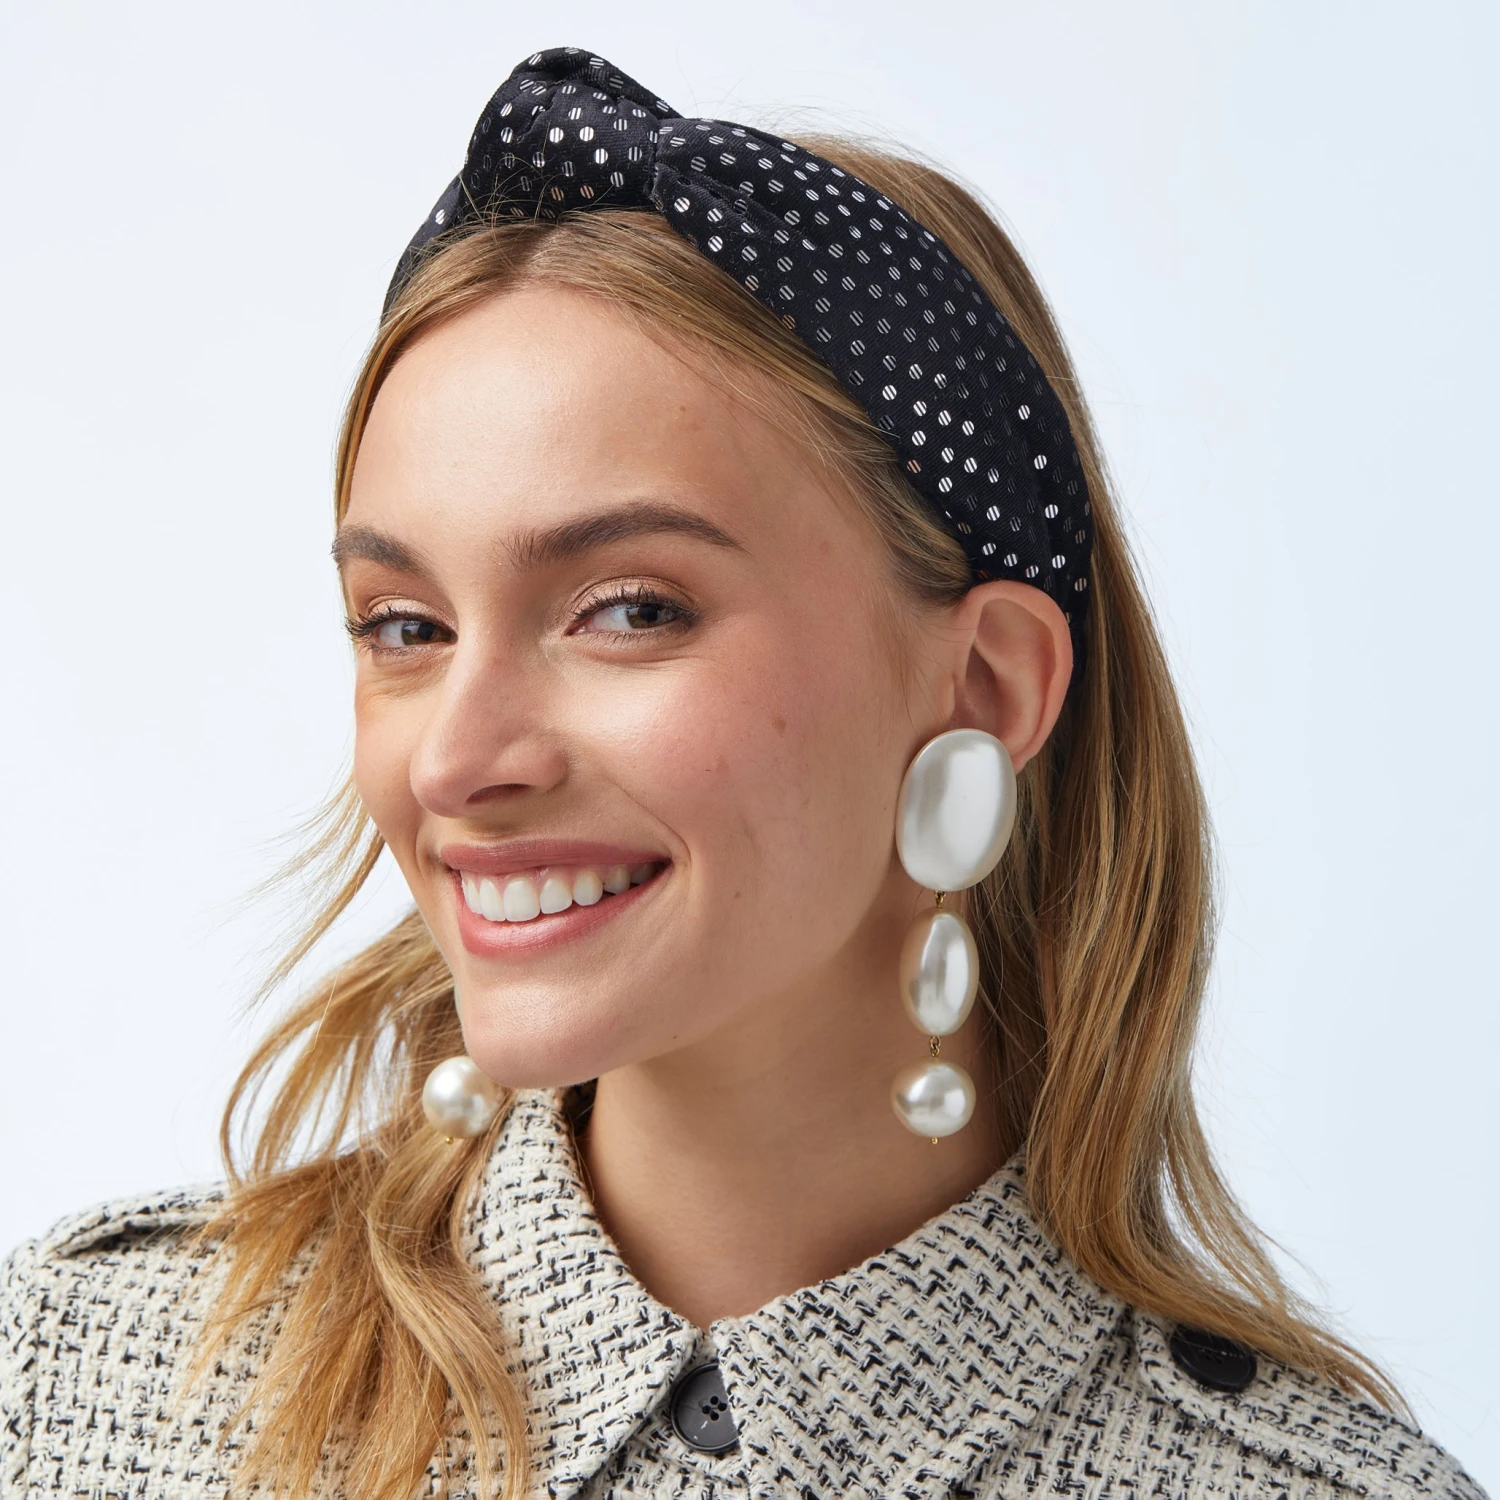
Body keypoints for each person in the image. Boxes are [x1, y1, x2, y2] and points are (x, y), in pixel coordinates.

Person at [0, 47, 1485, 1500]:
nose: (455, 760)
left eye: (630, 610)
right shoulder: (77, 1385)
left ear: (983, 686)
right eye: (405, 627)